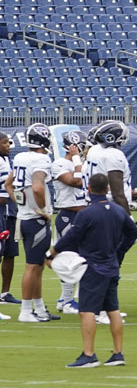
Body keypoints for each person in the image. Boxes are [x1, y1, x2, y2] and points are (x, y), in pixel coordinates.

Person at [49, 173, 137, 368]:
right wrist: (119, 250)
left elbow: (72, 236)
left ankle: (89, 354)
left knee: (87, 311)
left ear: (88, 189)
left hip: (93, 267)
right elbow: (133, 233)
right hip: (112, 265)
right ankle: (117, 353)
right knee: (113, 310)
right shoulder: (118, 210)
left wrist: (53, 253)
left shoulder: (86, 213)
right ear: (107, 189)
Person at [9, 124, 56, 322]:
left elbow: (8, 184)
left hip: (24, 217)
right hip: (35, 220)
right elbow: (37, 188)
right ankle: (26, 311)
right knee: (32, 266)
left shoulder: (20, 157)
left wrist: (21, 203)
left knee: (37, 266)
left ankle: (39, 308)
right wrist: (43, 211)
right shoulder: (41, 159)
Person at [49, 131, 88, 314]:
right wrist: (77, 161)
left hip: (83, 216)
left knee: (83, 259)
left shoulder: (84, 163)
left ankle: (70, 299)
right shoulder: (60, 163)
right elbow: (76, 181)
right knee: (69, 259)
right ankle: (66, 301)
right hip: (68, 215)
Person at [0, 132, 19, 307]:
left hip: (11, 212)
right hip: (1, 211)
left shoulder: (6, 160)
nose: (8, 146)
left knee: (10, 253)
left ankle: (5, 293)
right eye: (5, 142)